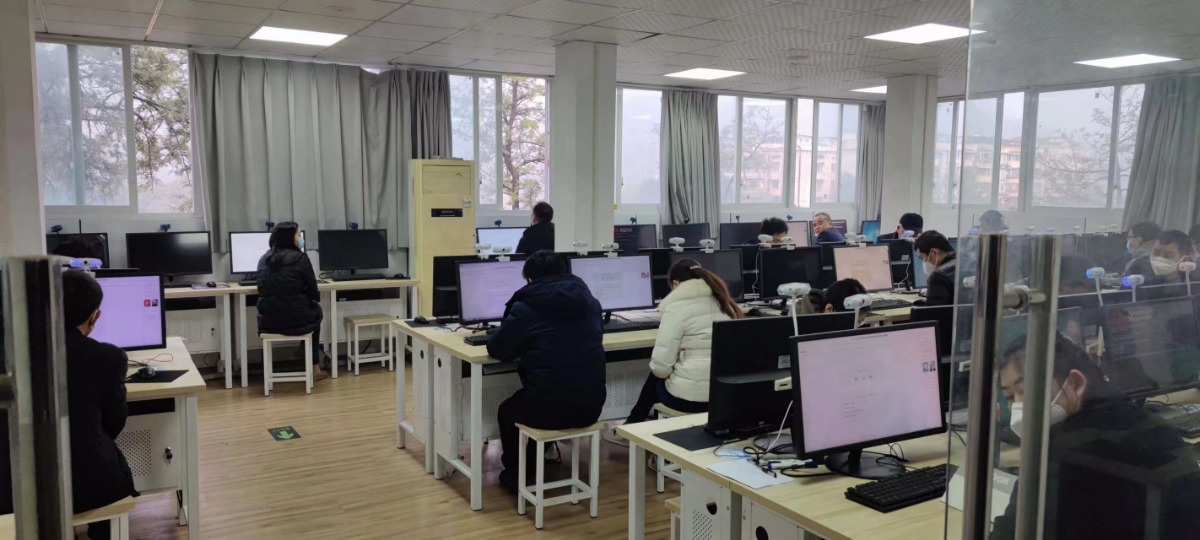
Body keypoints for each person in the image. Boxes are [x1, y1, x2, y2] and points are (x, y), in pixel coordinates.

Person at [991, 334, 1200, 540]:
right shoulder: (1153, 426)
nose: (1017, 406)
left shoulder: (1063, 455)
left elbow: (1009, 533)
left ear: (1075, 383)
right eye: (1009, 397)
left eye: (1025, 390)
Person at [487, 250, 607, 492]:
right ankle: (541, 458)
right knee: (543, 394)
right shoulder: (591, 303)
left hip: (548, 409)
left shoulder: (526, 306)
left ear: (530, 279)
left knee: (509, 410)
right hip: (591, 406)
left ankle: (517, 475)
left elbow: (499, 350)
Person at [606, 259, 743, 445]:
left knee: (656, 376)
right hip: (723, 397)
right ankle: (641, 432)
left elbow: (661, 368)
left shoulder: (676, 309)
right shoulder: (726, 304)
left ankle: (633, 429)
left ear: (676, 284)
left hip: (691, 400)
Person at [62, 270, 138, 540]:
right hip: (89, 481)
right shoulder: (108, 358)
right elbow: (114, 422)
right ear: (95, 317)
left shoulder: (16, 354)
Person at [256, 222, 325, 369]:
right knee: (317, 312)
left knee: (301, 310)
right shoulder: (300, 258)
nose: (301, 238)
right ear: (290, 238)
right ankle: (315, 366)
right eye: (298, 235)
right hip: (298, 320)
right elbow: (314, 292)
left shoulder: (263, 259)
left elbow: (261, 289)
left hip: (268, 322)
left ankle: (301, 351)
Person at [915, 230, 957, 306]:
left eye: (922, 257)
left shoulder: (939, 276)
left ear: (934, 253)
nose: (923, 262)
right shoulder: (966, 263)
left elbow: (933, 311)